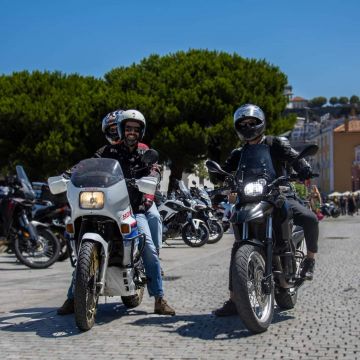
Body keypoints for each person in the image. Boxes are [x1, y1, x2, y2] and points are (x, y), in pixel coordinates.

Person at [57, 109, 175, 316]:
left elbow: (154, 168)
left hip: (134, 208)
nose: (131, 132)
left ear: (141, 132)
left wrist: (152, 178)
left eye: (135, 130)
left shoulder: (144, 152)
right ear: (121, 130)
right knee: (83, 246)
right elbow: (85, 165)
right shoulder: (107, 152)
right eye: (128, 128)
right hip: (110, 206)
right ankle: (73, 297)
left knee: (147, 246)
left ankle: (159, 298)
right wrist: (68, 173)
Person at [213, 104, 319, 316]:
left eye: (252, 123)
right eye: (243, 124)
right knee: (238, 247)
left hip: (279, 193)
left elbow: (293, 156)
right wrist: (219, 178)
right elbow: (223, 172)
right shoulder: (239, 153)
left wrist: (302, 167)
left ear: (260, 123)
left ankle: (310, 260)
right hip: (250, 198)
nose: (248, 126)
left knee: (309, 218)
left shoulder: (275, 143)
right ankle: (234, 300)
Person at [101, 110, 163, 255]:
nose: (115, 133)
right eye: (112, 130)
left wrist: (148, 195)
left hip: (140, 195)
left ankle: (154, 253)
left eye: (117, 129)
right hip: (115, 196)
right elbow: (91, 165)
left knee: (153, 216)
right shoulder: (107, 151)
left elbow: (152, 170)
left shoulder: (142, 149)